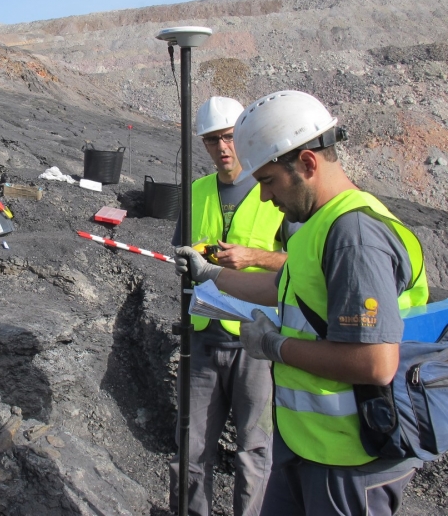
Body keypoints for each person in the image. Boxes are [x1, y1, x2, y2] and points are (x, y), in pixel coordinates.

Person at [174, 90, 428, 516]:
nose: (267, 198)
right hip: (309, 448)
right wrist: (213, 275)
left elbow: (375, 364)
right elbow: (282, 288)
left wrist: (273, 346)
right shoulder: (317, 224)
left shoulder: (355, 237)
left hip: (353, 456)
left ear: (307, 163)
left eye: (269, 181)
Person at [170, 97, 293, 516]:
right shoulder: (197, 192)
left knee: (254, 449)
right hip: (203, 339)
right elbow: (180, 253)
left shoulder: (275, 188)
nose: (222, 147)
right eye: (211, 140)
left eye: (228, 137)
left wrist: (255, 257)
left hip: (257, 343)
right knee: (191, 448)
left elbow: (303, 264)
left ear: (242, 136)